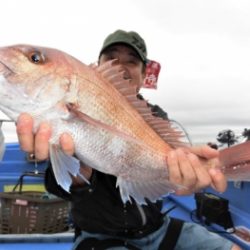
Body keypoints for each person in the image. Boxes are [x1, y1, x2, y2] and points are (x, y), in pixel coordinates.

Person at [16, 30, 241, 250]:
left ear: (144, 76)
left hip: (157, 229)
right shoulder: (56, 112)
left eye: (131, 61)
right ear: (99, 64)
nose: (120, 66)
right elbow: (58, 183)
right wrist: (79, 177)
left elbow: (169, 158)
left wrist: (189, 170)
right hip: (99, 236)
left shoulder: (155, 116)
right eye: (111, 58)